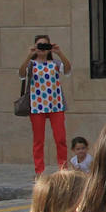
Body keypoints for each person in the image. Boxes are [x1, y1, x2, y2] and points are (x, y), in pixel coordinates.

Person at [20, 35, 72, 175]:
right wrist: (29, 55)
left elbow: (67, 70)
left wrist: (59, 53)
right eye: (39, 45)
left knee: (60, 139)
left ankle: (63, 170)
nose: (42, 48)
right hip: (37, 106)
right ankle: (39, 172)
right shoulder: (31, 64)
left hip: (56, 105)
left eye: (45, 45)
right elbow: (21, 74)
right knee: (38, 141)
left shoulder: (54, 63)